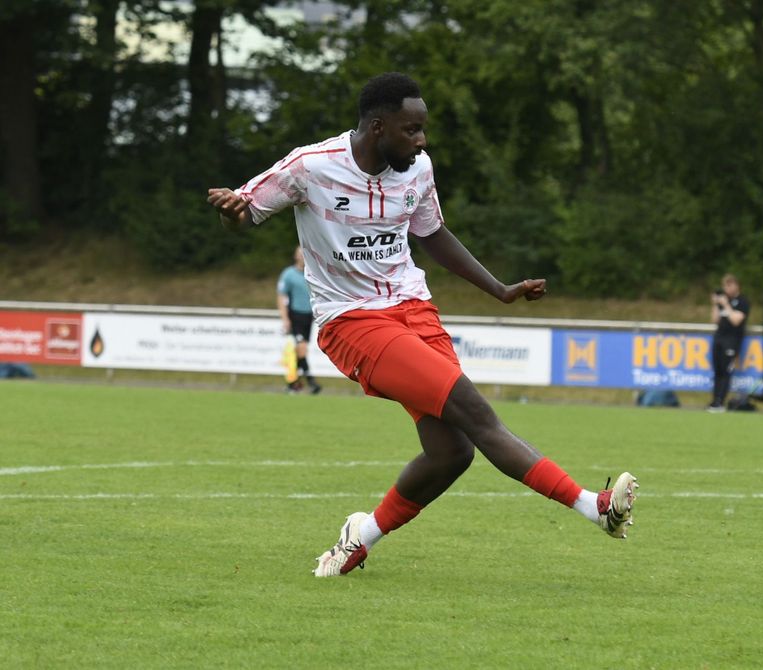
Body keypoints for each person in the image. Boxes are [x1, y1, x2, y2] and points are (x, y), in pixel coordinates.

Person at [207, 72, 638, 577]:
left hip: (414, 310)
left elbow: (432, 233)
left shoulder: (418, 169)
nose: (421, 140)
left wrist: (499, 289)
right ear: (377, 127)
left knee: (452, 452)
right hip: (352, 321)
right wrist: (232, 213)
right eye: (411, 130)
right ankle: (595, 505)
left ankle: (359, 537)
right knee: (476, 413)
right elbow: (246, 211)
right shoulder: (311, 167)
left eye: (422, 130)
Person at [277, 245, 321, 394]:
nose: (302, 256)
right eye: (300, 254)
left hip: (309, 316)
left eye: (304, 254)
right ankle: (312, 382)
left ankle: (293, 383)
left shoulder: (313, 273)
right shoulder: (289, 274)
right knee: (301, 347)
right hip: (295, 316)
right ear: (295, 256)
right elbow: (281, 296)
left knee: (300, 350)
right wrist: (285, 318)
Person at [708, 273, 750, 412]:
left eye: (729, 285)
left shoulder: (743, 301)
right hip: (719, 338)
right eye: (724, 285)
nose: (726, 288)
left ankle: (720, 401)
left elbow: (736, 320)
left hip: (732, 340)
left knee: (726, 371)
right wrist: (715, 304)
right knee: (717, 370)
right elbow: (715, 320)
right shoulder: (722, 302)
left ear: (736, 285)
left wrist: (726, 305)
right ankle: (714, 401)